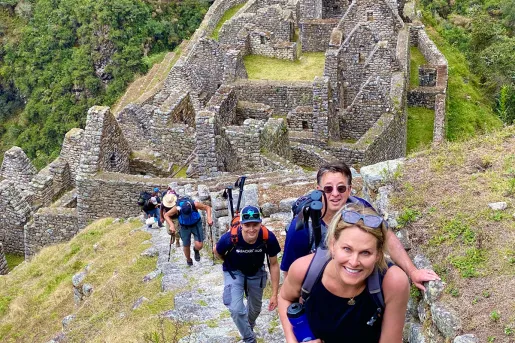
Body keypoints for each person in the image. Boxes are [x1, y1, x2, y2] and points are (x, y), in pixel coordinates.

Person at [281, 162, 439, 291]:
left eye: (341, 188)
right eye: (328, 189)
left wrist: (412, 272)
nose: (335, 194)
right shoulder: (302, 228)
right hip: (320, 291)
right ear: (318, 191)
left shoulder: (360, 208)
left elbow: (387, 236)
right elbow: (289, 272)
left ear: (349, 190)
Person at [278, 204, 409, 342]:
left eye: (366, 252)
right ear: (332, 245)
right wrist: (291, 340)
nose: (354, 262)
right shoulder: (304, 270)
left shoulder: (393, 282)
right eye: (347, 249)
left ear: (378, 255)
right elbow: (285, 298)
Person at [214, 205, 281, 343]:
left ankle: (247, 327)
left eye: (255, 224)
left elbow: (274, 264)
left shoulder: (267, 237)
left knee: (255, 309)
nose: (251, 229)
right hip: (234, 272)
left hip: (256, 272)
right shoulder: (230, 238)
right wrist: (228, 263)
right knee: (236, 309)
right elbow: (217, 251)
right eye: (247, 225)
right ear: (241, 225)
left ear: (260, 223)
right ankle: (249, 339)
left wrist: (275, 294)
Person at [164, 196, 213, 266]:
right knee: (186, 244)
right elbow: (166, 215)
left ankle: (196, 250)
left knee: (199, 245)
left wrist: (209, 217)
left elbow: (207, 208)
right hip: (184, 226)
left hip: (196, 224)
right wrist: (171, 225)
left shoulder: (195, 204)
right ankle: (189, 259)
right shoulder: (177, 208)